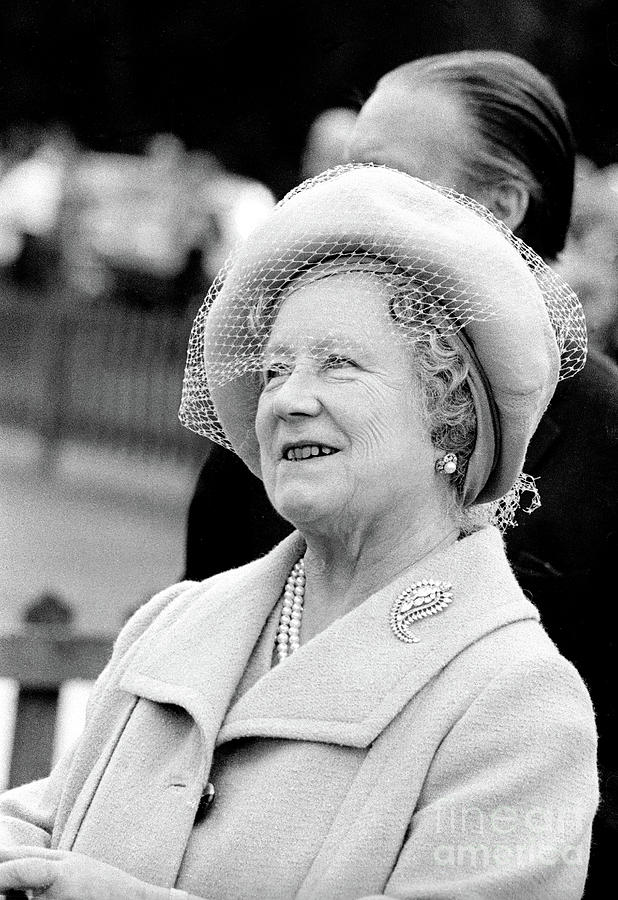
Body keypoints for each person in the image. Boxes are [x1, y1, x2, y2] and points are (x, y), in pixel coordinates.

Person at [0, 165, 596, 899]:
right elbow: (48, 820)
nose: (288, 399)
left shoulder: (520, 707)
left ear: (452, 415)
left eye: (339, 365)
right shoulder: (176, 624)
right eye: (276, 369)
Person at [183, 54, 618, 895]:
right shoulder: (286, 413)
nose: (337, 199)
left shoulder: (610, 440)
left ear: (502, 206)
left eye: (379, 174)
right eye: (338, 170)